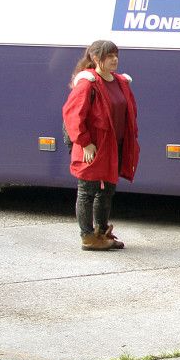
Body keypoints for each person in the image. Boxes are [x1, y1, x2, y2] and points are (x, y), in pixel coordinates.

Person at [61, 40, 140, 251]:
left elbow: (129, 112)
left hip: (115, 146)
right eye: (109, 56)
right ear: (96, 59)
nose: (115, 59)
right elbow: (72, 115)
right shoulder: (88, 83)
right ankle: (87, 236)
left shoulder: (120, 81)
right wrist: (85, 143)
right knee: (87, 191)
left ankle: (102, 231)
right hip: (93, 147)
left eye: (116, 55)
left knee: (107, 191)